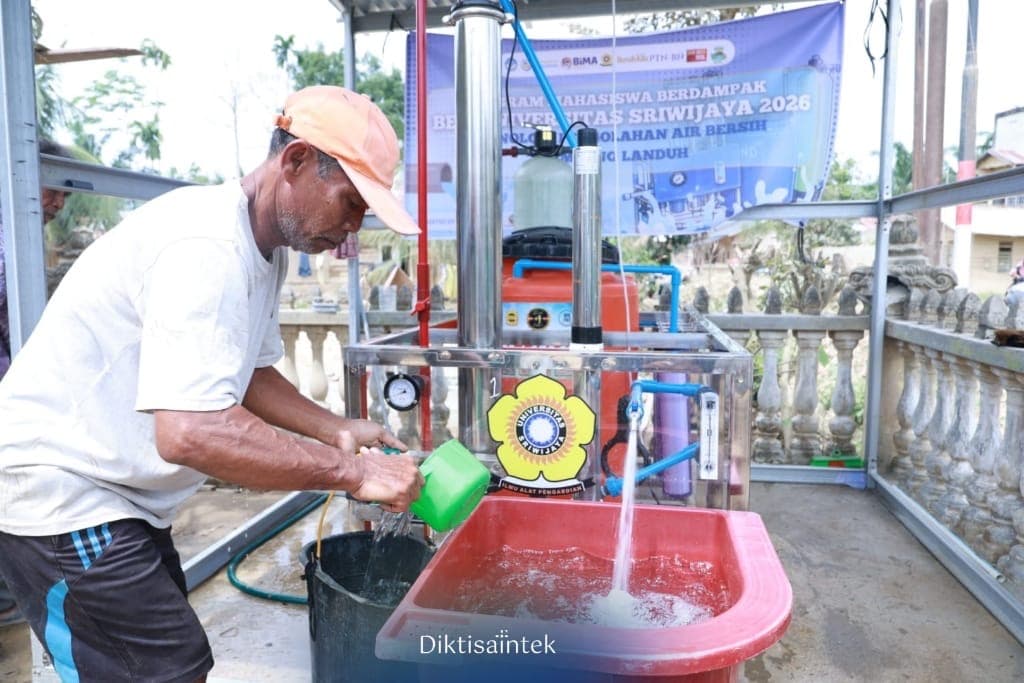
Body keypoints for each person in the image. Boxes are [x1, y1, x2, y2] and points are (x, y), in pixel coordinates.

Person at [0, 86, 424, 682]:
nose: (354, 227)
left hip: (123, 493)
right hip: (61, 488)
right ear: (296, 161)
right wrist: (353, 472)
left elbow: (247, 373)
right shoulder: (205, 247)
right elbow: (191, 432)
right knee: (164, 668)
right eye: (350, 202)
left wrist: (336, 429)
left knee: (164, 665)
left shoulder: (263, 251)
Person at [0, 138, 73, 627]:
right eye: (54, 190)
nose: (58, 203)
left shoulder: (20, 238)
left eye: (65, 194)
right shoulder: (9, 238)